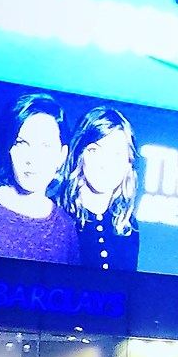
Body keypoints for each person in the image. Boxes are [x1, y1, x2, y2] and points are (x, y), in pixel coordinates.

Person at [0, 94, 80, 262]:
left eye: (46, 146)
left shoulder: (66, 227)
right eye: (21, 143)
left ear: (62, 155)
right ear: (8, 149)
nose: (33, 159)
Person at [55, 104, 142, 274]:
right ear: (79, 155)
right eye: (94, 150)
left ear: (129, 162)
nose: (105, 164)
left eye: (116, 154)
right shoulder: (54, 214)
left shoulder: (127, 226)